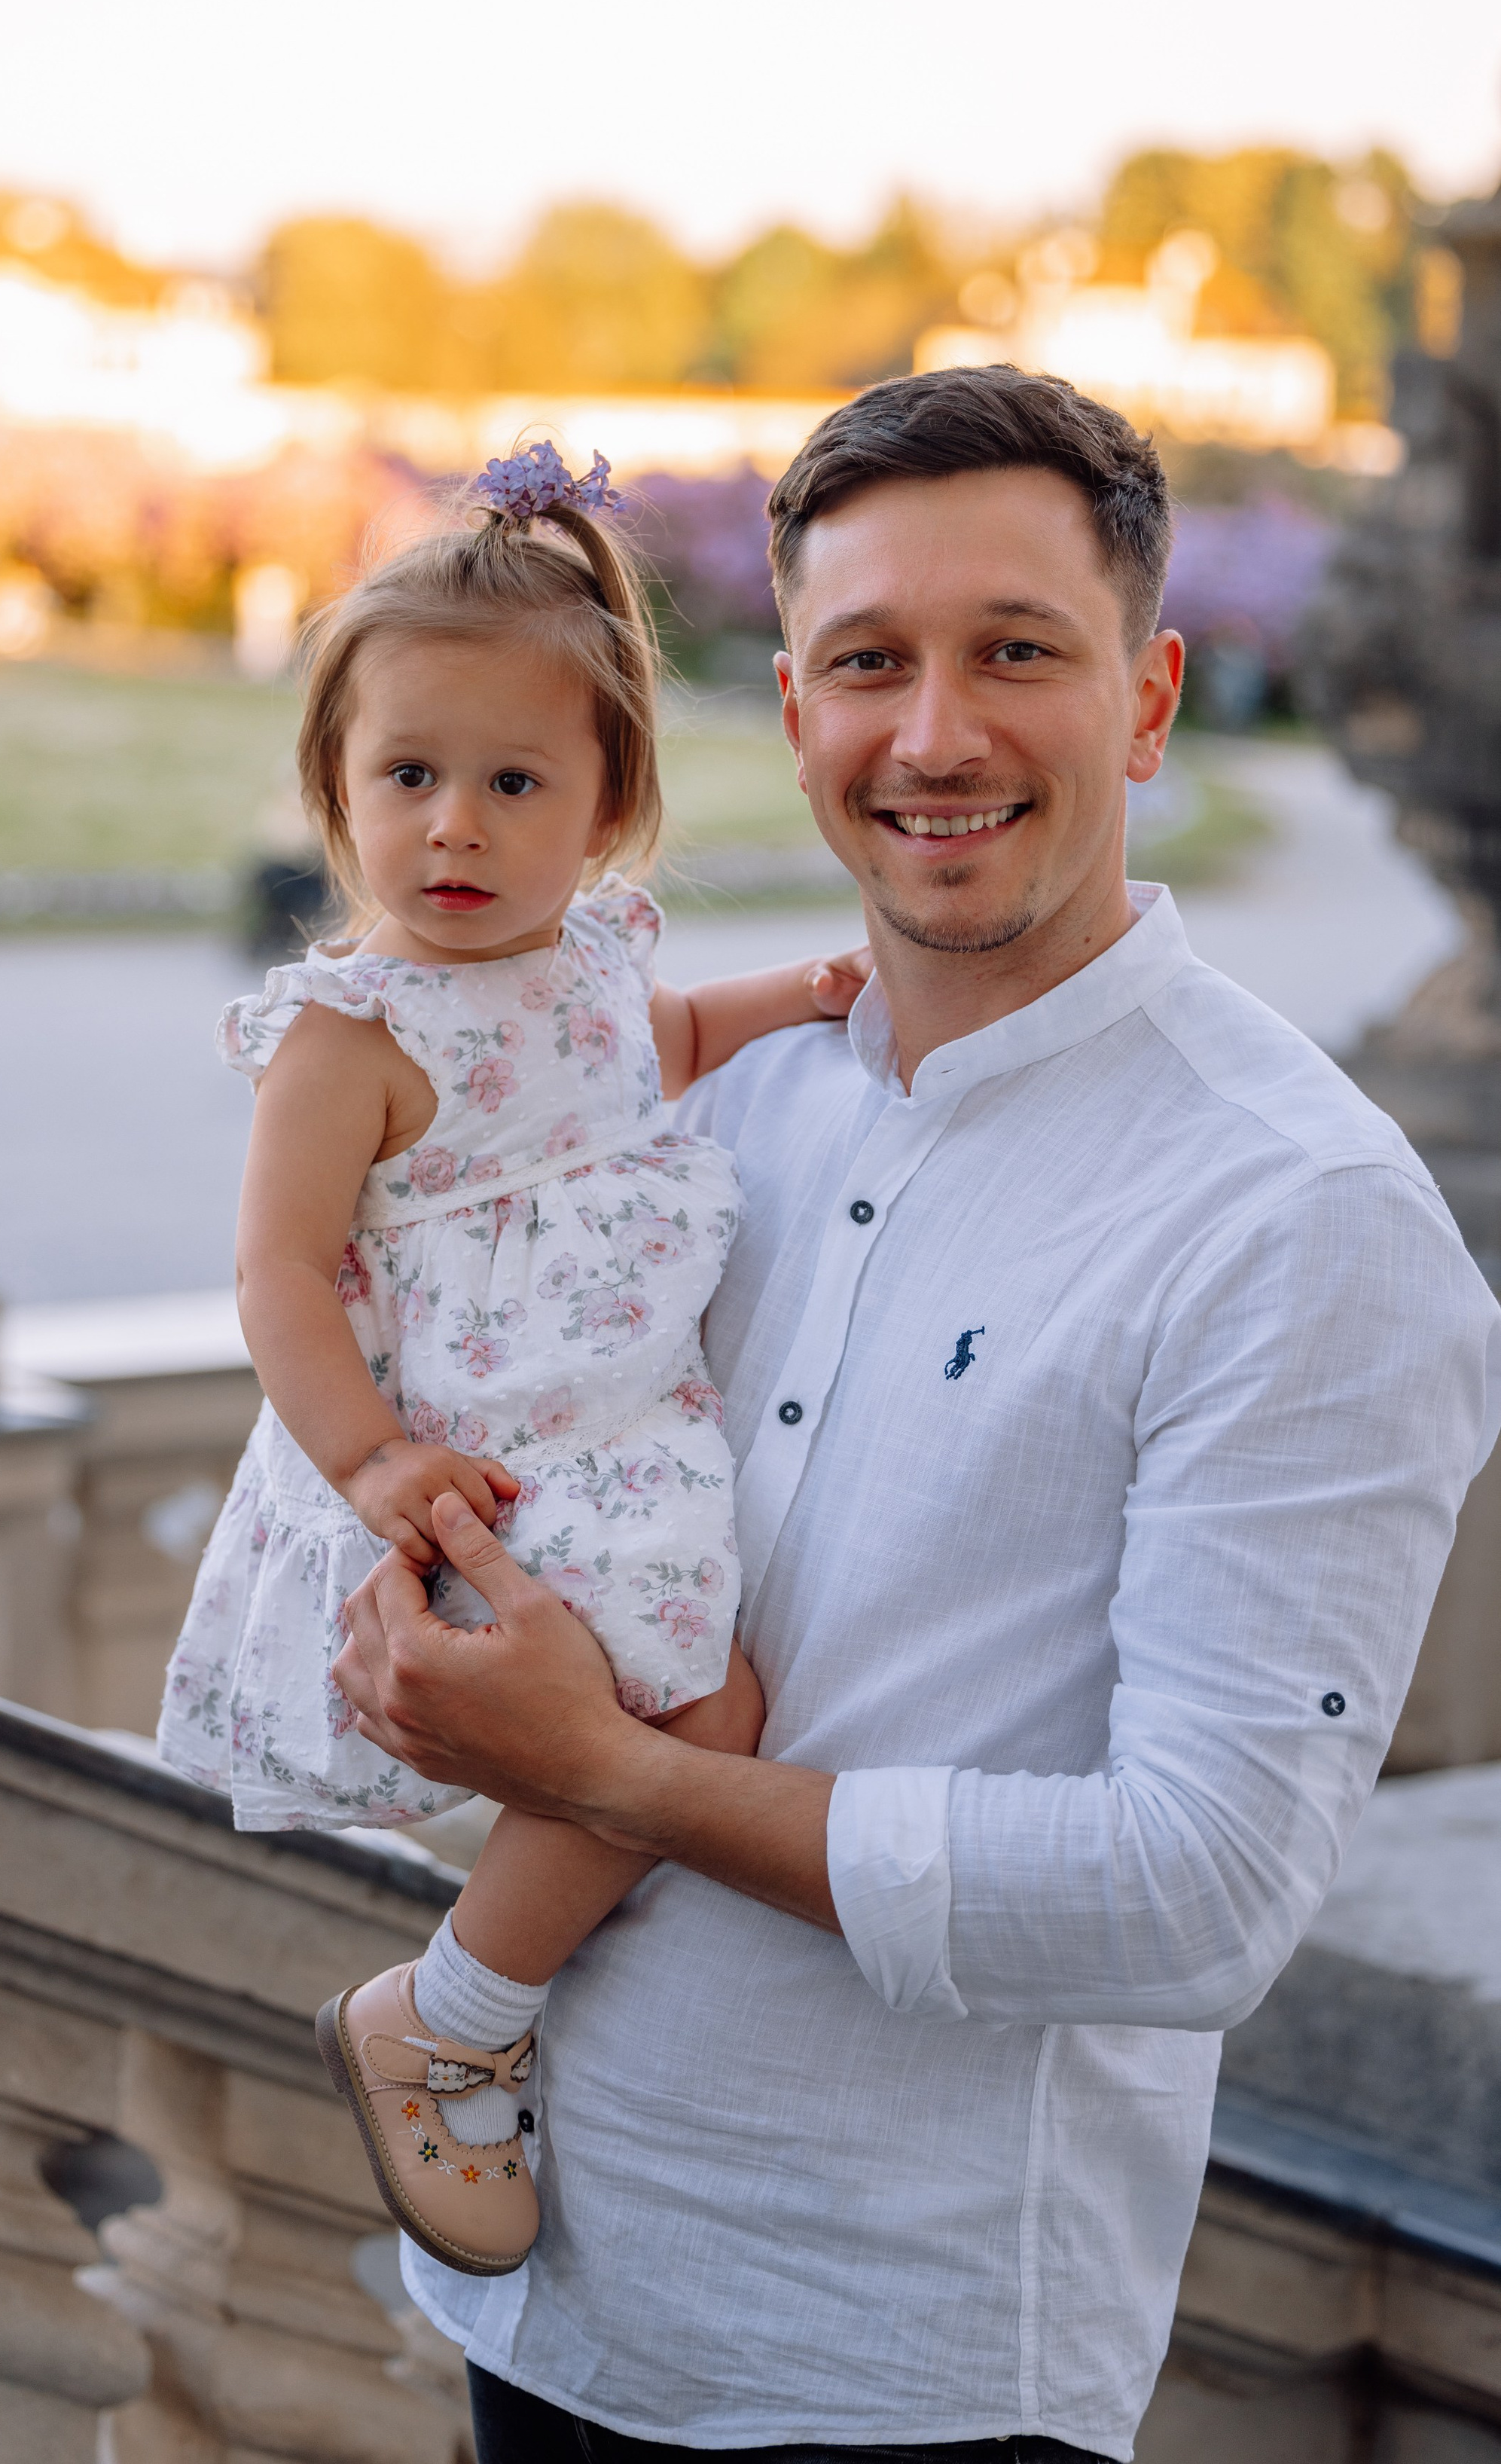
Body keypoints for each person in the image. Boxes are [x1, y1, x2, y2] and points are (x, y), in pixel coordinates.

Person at [331, 366, 1501, 2462]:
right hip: (543, 2282)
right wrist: (426, 1629)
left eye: (1016, 654)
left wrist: (614, 1771)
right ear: (793, 712)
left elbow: (1199, 1890)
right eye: (870, 660)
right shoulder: (700, 1097)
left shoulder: (1303, 1216)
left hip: (902, 2361)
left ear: (1145, 703)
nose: (935, 734)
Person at [158, 442, 861, 2276]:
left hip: (616, 1437)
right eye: (405, 777)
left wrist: (797, 995)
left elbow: (659, 1039)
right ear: (333, 788)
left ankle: (477, 1999)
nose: (452, 826)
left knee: (690, 1714)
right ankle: (452, 2013)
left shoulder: (592, 958)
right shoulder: (349, 1028)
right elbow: (276, 1273)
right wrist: (373, 1461)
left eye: (509, 780)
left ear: (605, 807)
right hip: (479, 1467)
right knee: (695, 1717)